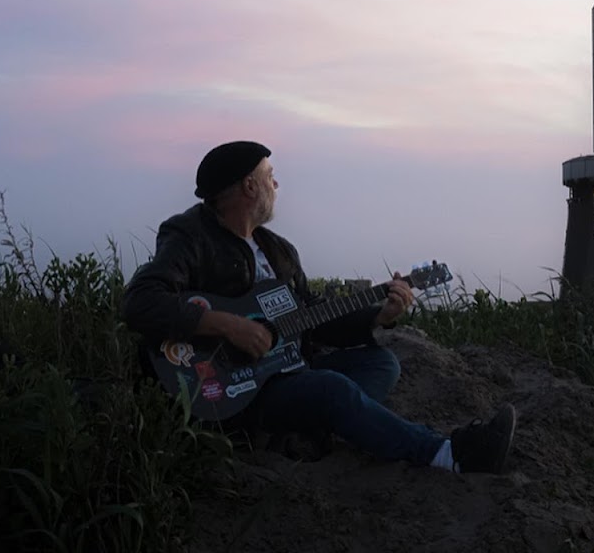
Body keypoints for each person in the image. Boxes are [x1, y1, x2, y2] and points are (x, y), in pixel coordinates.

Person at [122, 140, 515, 473]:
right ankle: (448, 454)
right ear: (249, 186)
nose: (277, 183)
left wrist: (380, 315)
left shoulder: (279, 252)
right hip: (236, 389)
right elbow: (141, 302)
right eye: (269, 175)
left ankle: (306, 430)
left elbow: (311, 320)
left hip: (289, 368)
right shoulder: (189, 235)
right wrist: (226, 324)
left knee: (381, 364)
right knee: (333, 390)